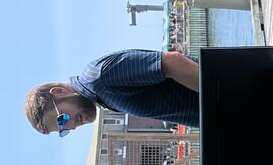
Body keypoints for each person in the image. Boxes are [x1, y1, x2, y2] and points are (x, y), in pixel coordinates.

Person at [25, 48, 199, 134]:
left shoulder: (99, 78)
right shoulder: (102, 96)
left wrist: (221, 94)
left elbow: (171, 62)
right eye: (64, 129)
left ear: (59, 92)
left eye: (62, 119)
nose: (72, 125)